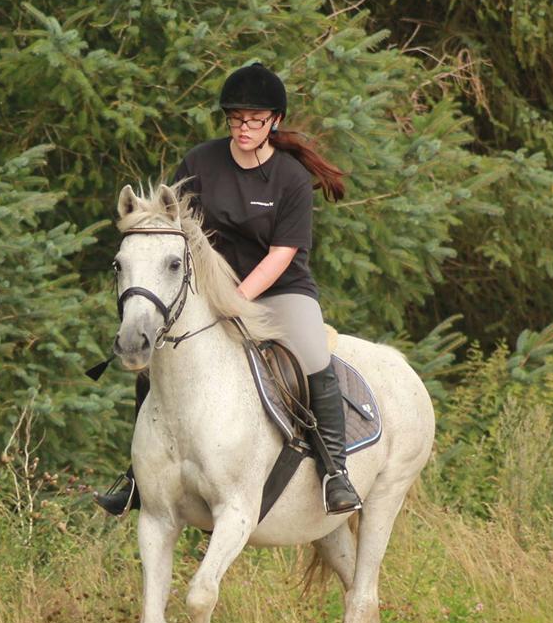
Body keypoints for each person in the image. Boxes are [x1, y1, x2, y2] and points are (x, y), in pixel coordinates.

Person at [96, 62, 362, 517]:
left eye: (255, 120)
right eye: (236, 118)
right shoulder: (200, 162)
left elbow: (282, 253)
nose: (244, 128)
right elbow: (169, 229)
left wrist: (238, 299)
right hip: (205, 288)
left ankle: (335, 470)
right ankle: (137, 473)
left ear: (274, 121)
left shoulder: (290, 179)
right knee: (156, 359)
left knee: (314, 354)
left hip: (280, 288)